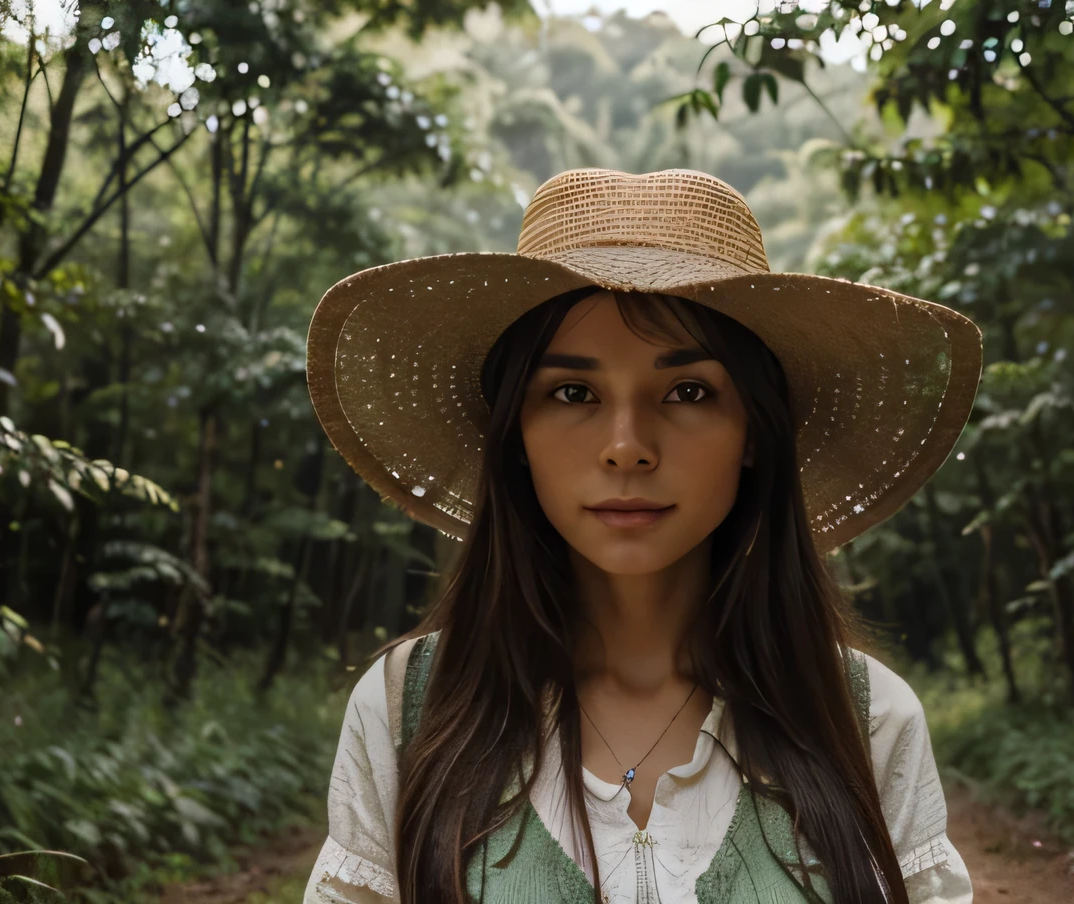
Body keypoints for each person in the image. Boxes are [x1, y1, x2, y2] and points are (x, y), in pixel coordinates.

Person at [302, 168, 982, 904]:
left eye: (688, 391)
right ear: (515, 434)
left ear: (755, 432)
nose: (626, 448)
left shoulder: (866, 718)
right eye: (573, 392)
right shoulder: (409, 710)